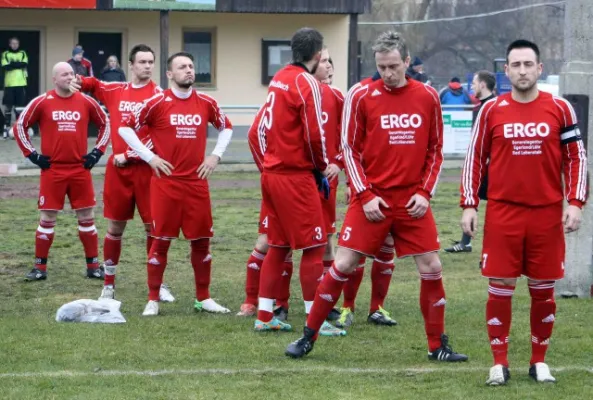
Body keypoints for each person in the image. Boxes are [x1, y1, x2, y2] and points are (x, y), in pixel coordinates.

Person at [285, 31, 468, 362]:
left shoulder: (427, 96)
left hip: (412, 200)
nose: (387, 73)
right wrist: (365, 194)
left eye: (394, 66)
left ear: (407, 62)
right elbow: (349, 150)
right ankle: (308, 337)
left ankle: (436, 345)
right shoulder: (360, 95)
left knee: (432, 266)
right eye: (381, 67)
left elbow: (436, 150)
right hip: (371, 199)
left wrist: (425, 192)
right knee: (343, 263)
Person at [460, 39, 587, 385]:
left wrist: (574, 203)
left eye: (528, 64)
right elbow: (474, 159)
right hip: (503, 213)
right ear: (506, 71)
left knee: (542, 289)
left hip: (546, 214)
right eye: (515, 65)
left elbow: (576, 158)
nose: (522, 71)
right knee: (500, 285)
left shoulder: (560, 108)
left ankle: (538, 360)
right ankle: (499, 362)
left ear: (539, 68)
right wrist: (469, 203)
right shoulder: (491, 110)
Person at [118, 51, 233, 317]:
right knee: (160, 241)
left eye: (191, 66)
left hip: (196, 184)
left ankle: (203, 298)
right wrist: (149, 157)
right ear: (169, 74)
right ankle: (153, 299)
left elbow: (226, 127)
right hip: (165, 185)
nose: (189, 71)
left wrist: (216, 155)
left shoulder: (206, 102)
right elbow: (125, 127)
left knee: (202, 242)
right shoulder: (156, 102)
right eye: (182, 67)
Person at [69, 44, 174, 302]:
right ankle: (108, 284)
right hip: (118, 174)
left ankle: (157, 284)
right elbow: (93, 84)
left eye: (151, 62)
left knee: (154, 228)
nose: (148, 66)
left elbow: (158, 139)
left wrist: (129, 155)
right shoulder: (116, 91)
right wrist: (76, 80)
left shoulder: (159, 96)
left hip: (148, 172)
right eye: (142, 62)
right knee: (115, 228)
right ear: (131, 65)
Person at [252, 27, 329, 333]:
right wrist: (320, 168)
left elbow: (260, 128)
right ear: (318, 54)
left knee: (278, 246)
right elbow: (314, 134)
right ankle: (316, 320)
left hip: (272, 173)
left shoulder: (280, 77)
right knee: (314, 246)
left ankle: (265, 316)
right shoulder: (306, 81)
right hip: (294, 175)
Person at [14, 62, 110, 281]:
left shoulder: (86, 101)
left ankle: (93, 266)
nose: (70, 77)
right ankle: (40, 268)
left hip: (80, 169)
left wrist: (97, 152)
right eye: (64, 74)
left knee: (86, 216)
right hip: (53, 170)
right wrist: (32, 155)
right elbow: (20, 126)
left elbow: (106, 123)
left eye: (72, 73)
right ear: (54, 79)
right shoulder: (42, 101)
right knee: (47, 217)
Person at [445, 70, 496, 254]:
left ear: (483, 84)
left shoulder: (492, 106)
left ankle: (492, 249)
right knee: (471, 199)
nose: (472, 86)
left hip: (492, 166)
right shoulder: (480, 107)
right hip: (482, 165)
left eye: (474, 83)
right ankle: (466, 242)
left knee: (496, 206)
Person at [2, 37, 28, 138]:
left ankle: (18, 129)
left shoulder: (22, 53)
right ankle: (7, 128)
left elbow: (24, 64)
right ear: (9, 44)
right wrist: (18, 64)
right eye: (13, 43)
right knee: (8, 107)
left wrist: (12, 64)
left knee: (20, 107)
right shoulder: (5, 54)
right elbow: (5, 67)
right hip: (9, 84)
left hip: (21, 83)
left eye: (16, 43)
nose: (15, 45)